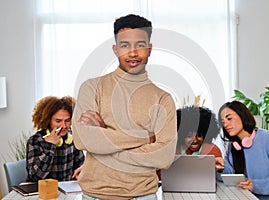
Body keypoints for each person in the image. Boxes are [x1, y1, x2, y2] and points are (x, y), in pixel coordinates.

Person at [72, 14, 177, 200]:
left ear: (150, 49)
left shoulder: (163, 99)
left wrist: (104, 137)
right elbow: (84, 141)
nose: (133, 53)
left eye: (140, 45)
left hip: (143, 195)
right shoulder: (91, 88)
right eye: (125, 45)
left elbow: (163, 157)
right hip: (95, 195)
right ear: (115, 49)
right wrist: (146, 137)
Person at [215, 100, 269, 200]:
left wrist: (255, 185)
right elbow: (230, 177)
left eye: (229, 118)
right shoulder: (233, 146)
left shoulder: (267, 139)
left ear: (242, 116)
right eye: (223, 121)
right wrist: (220, 168)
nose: (225, 124)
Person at [26, 96, 85, 182]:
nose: (64, 126)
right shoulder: (35, 141)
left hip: (66, 191)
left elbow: (80, 165)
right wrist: (50, 146)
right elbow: (36, 176)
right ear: (48, 120)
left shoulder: (72, 136)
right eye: (58, 121)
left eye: (67, 120)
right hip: (42, 192)